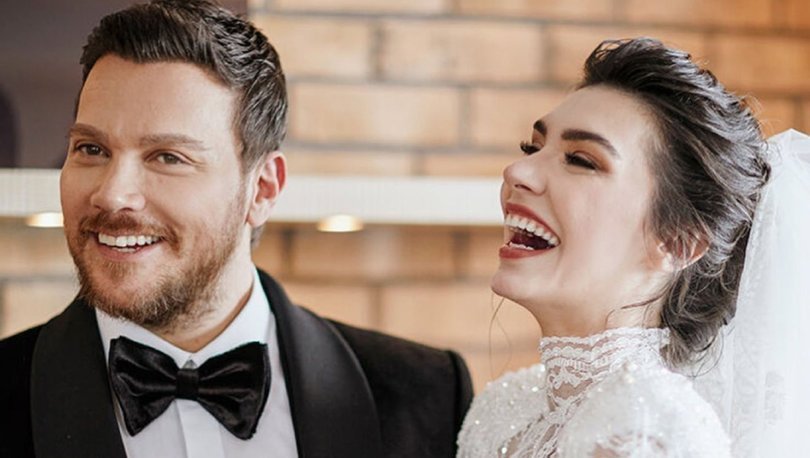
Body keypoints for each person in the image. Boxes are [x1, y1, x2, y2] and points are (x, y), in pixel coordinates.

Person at [0, 1, 472, 457]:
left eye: (168, 157)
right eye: (91, 149)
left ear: (262, 189)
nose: (112, 194)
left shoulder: (428, 395)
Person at [456, 37, 787, 457]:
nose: (517, 171)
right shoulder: (500, 412)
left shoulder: (649, 429)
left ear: (678, 243)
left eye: (581, 160)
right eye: (532, 148)